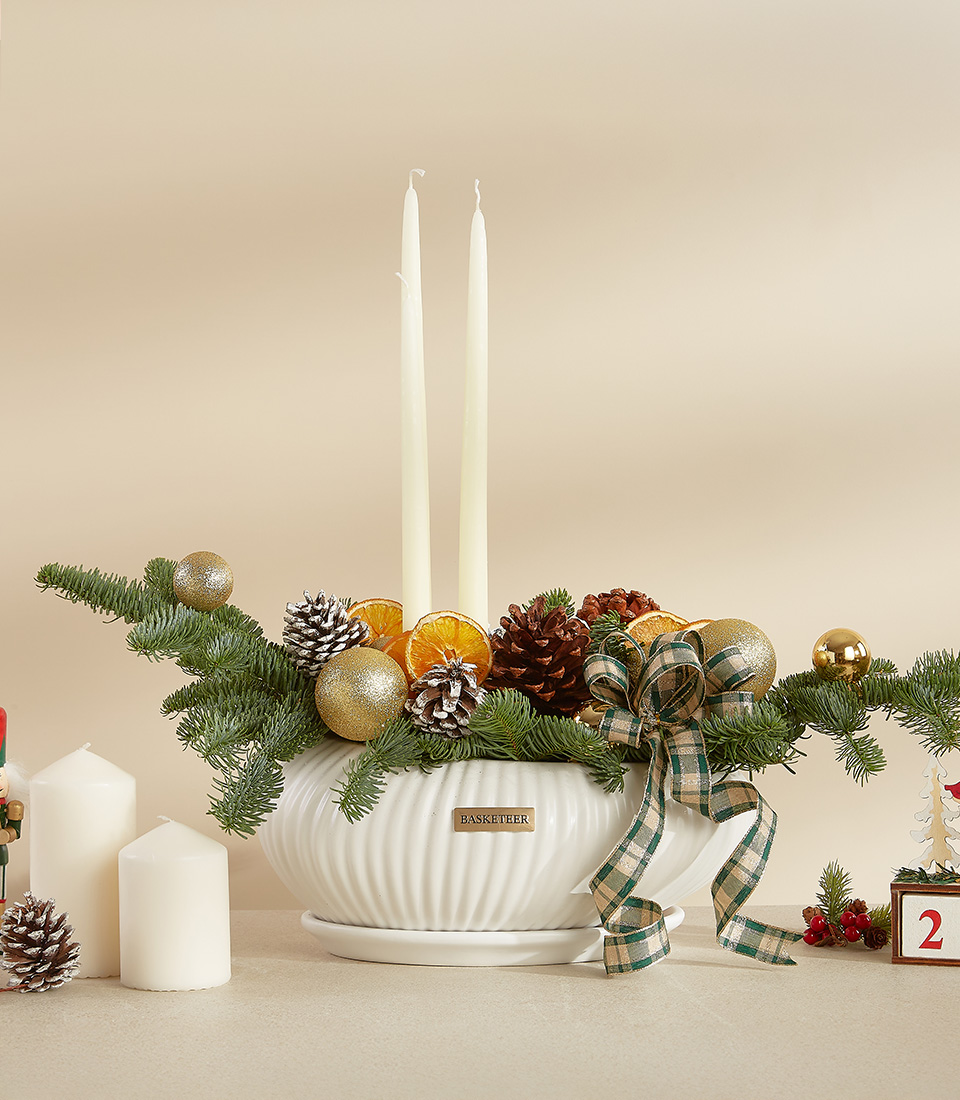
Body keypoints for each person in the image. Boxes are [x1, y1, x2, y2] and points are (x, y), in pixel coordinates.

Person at [0, 708, 25, 917]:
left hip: (0, 855)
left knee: (0, 897)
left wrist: (6, 834)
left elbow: (15, 831)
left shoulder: (11, 805)